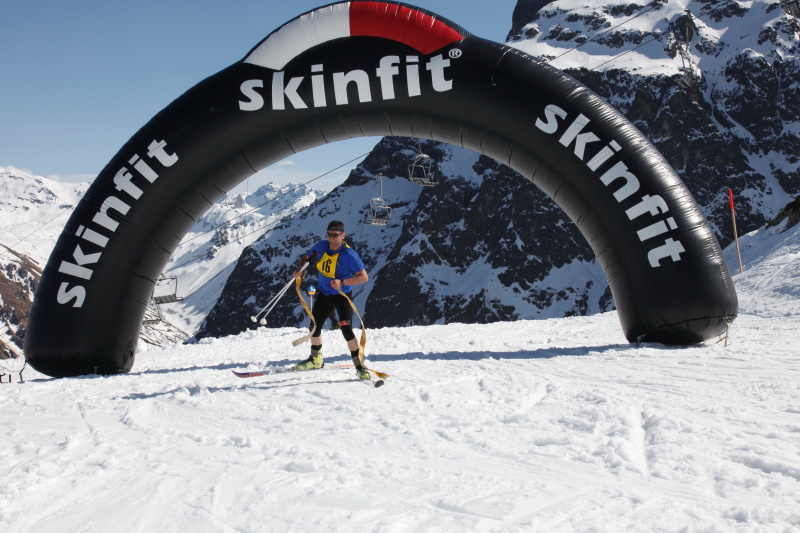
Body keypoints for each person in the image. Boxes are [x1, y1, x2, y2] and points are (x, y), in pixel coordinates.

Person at [292, 221, 370, 379]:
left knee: (346, 330)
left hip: (342, 296)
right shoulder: (321, 246)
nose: (332, 238)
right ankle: (316, 360)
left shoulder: (349, 255)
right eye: (329, 235)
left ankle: (359, 366)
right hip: (325, 294)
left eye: (335, 235)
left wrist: (343, 282)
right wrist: (300, 270)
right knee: (314, 326)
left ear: (343, 235)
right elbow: (306, 258)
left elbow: (364, 277)